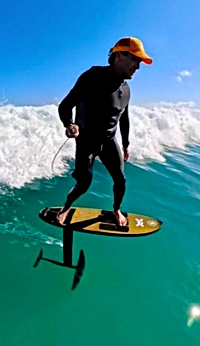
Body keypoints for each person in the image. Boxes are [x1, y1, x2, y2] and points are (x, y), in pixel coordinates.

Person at [55, 37, 152, 228]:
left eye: (140, 61)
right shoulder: (93, 76)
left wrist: (125, 144)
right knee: (84, 182)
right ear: (119, 55)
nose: (138, 67)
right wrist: (69, 124)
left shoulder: (126, 88)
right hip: (86, 141)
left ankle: (116, 210)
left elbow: (124, 117)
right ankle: (65, 208)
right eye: (135, 59)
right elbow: (65, 105)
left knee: (121, 180)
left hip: (109, 141)